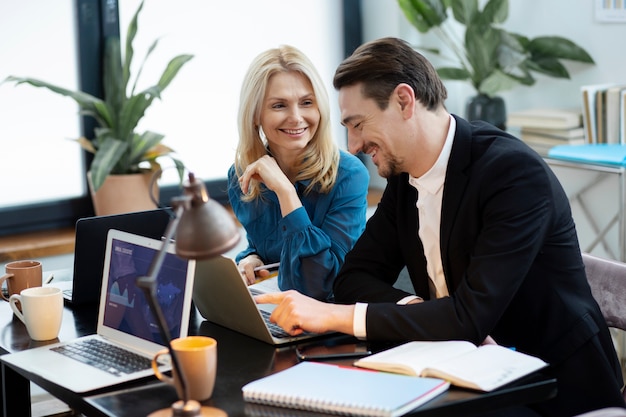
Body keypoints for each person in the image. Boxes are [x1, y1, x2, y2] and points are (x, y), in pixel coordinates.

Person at [255, 37, 626, 416]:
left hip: (552, 388)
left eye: (359, 124)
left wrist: (332, 315)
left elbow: (468, 317)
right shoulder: (404, 176)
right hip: (461, 378)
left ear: (404, 101)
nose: (353, 145)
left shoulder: (513, 174)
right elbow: (354, 276)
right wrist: (419, 310)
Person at [228, 45, 369, 301]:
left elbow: (320, 284)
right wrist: (252, 257)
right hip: (275, 310)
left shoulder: (349, 176)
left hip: (329, 318)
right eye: (279, 105)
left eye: (306, 103)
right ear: (255, 115)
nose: (296, 118)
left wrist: (285, 192)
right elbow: (267, 245)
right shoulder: (242, 177)